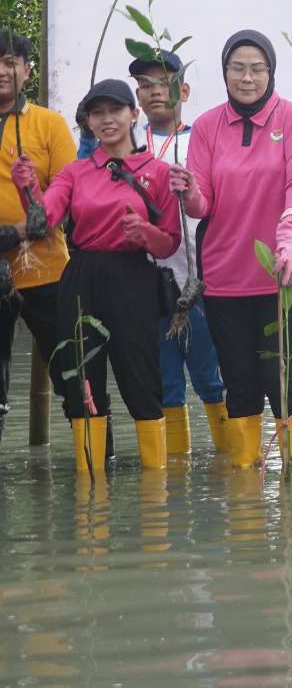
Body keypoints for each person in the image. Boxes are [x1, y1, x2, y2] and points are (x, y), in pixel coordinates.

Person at [12, 79, 181, 469]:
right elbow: (45, 219)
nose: (107, 120)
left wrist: (145, 233)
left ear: (133, 114)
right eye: (97, 113)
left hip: (134, 279)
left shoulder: (157, 171)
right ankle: (92, 488)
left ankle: (154, 493)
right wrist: (29, 189)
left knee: (140, 378)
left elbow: (168, 243)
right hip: (82, 278)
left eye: (115, 110)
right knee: (81, 380)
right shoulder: (75, 173)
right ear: (87, 121)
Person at [173, 32, 292, 469]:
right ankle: (245, 494)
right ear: (225, 73)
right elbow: (203, 206)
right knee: (238, 381)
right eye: (238, 68)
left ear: (271, 71)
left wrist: (290, 237)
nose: (248, 77)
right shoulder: (207, 125)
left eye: (257, 68)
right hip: (224, 274)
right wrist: (190, 190)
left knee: (284, 378)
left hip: (281, 272)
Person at [130, 51, 230, 456]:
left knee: (210, 377)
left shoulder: (202, 140)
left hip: (200, 279)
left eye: (165, 84)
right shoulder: (131, 145)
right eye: (146, 86)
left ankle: (230, 466)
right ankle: (172, 477)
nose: (155, 92)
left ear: (183, 91)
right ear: (137, 96)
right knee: (165, 382)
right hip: (148, 283)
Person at [0, 28, 74, 446]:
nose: (2, 71)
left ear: (26, 70)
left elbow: (67, 198)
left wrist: (24, 222)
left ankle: (98, 473)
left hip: (45, 268)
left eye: (10, 61)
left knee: (74, 373)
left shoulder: (49, 124)